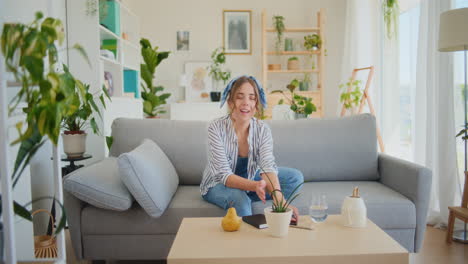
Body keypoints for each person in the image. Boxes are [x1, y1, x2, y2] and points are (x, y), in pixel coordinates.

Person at [200, 75, 304, 221]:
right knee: (239, 198)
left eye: (252, 97)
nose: (246, 103)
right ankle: (247, 229)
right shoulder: (215, 128)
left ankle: (252, 191)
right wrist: (256, 185)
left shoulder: (262, 129)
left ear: (256, 103)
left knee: (295, 178)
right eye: (240, 97)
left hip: (250, 177)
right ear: (230, 102)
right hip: (218, 183)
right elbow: (224, 175)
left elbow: (267, 165)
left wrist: (278, 197)